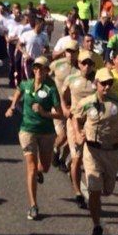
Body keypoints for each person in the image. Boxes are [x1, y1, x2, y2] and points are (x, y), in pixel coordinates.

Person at [74, 67, 118, 235]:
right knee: (95, 189)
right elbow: (76, 117)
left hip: (112, 151)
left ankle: (98, 201)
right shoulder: (87, 102)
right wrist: (78, 133)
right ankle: (97, 225)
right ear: (96, 84)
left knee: (108, 190)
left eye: (109, 83)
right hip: (92, 150)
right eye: (103, 83)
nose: (107, 86)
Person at [6, 56, 62, 220]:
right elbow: (18, 90)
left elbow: (60, 113)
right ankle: (33, 205)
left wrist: (44, 113)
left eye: (42, 68)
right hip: (27, 130)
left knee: (44, 167)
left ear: (47, 71)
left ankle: (39, 171)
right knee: (30, 166)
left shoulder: (51, 89)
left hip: (46, 131)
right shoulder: (27, 84)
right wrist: (11, 107)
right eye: (36, 67)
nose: (38, 70)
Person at [62, 49, 99, 209]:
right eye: (84, 63)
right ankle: (78, 192)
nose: (87, 66)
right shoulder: (71, 78)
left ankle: (94, 188)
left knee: (92, 158)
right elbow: (62, 95)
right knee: (77, 158)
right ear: (79, 64)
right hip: (75, 122)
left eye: (90, 63)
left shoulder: (98, 79)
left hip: (93, 123)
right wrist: (65, 109)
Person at [50, 40, 79, 171]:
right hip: (57, 106)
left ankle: (62, 159)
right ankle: (55, 149)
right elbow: (45, 77)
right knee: (62, 136)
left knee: (71, 138)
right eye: (68, 51)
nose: (70, 54)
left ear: (78, 53)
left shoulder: (81, 68)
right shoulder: (57, 64)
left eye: (73, 52)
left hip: (73, 108)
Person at [18, 14, 49, 81]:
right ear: (37, 24)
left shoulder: (44, 36)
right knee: (28, 78)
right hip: (28, 60)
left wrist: (45, 51)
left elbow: (47, 47)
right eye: (42, 25)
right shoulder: (27, 34)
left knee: (37, 78)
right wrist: (25, 53)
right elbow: (19, 45)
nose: (44, 27)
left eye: (44, 25)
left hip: (38, 61)